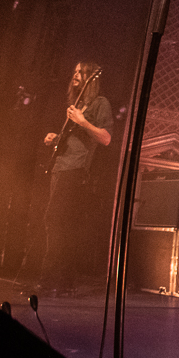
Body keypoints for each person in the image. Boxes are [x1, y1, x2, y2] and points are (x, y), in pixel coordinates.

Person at [40, 62, 113, 295]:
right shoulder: (77, 104)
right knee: (61, 225)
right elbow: (73, 138)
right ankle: (62, 282)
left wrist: (82, 121)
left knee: (55, 221)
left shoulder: (100, 103)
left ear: (92, 78)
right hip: (60, 167)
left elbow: (106, 138)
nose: (76, 75)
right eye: (75, 72)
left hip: (76, 169)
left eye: (81, 72)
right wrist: (56, 138)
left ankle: (52, 279)